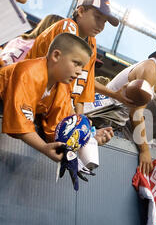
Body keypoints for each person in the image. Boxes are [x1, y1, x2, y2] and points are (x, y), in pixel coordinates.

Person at [0, 33, 113, 162]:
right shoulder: (29, 73)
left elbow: (59, 128)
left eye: (82, 66)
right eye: (76, 63)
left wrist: (88, 136)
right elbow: (19, 123)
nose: (79, 71)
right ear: (56, 56)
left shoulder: (62, 85)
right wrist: (43, 147)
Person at [96, 36, 156, 174]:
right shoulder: (149, 68)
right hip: (103, 117)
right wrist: (144, 150)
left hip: (119, 124)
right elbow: (136, 114)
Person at [25, 0, 122, 115]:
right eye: (97, 17)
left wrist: (80, 120)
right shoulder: (67, 27)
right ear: (80, 11)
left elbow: (82, 86)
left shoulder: (91, 42)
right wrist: (74, 121)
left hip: (47, 109)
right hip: (29, 101)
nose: (101, 26)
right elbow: (61, 85)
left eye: (105, 22)